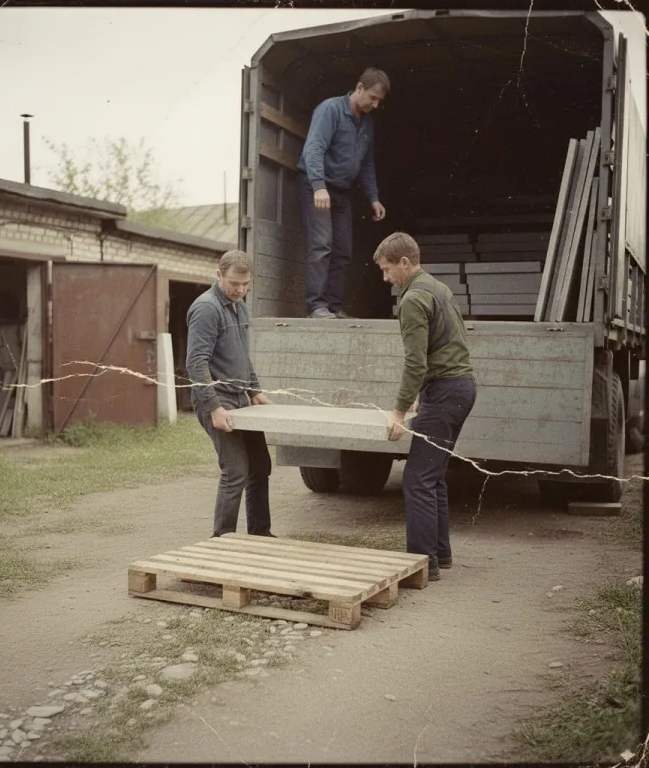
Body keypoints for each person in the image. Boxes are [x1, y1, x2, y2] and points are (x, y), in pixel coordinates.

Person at [372, 232, 477, 581]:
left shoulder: (413, 298)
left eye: (388, 269)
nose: (385, 278)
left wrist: (399, 411)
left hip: (445, 392)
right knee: (432, 477)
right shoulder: (438, 288)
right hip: (460, 388)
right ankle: (439, 556)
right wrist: (425, 392)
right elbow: (448, 343)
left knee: (417, 479)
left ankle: (421, 565)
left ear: (405, 262)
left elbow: (415, 362)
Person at [186, 250, 276, 539]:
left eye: (245, 284)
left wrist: (254, 390)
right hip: (218, 400)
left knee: (260, 466)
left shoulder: (240, 306)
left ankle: (260, 535)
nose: (240, 290)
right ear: (218, 275)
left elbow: (242, 355)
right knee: (235, 471)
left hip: (240, 398)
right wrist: (214, 408)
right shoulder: (207, 309)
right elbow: (196, 363)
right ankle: (222, 541)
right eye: (234, 284)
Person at [297, 67, 389, 320]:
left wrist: (373, 197)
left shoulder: (367, 123)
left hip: (342, 192)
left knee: (343, 250)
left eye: (379, 101)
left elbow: (366, 164)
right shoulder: (331, 109)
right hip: (317, 186)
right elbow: (314, 148)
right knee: (322, 244)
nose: (375, 104)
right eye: (372, 97)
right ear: (359, 88)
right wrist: (319, 186)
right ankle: (316, 307)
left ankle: (333, 307)